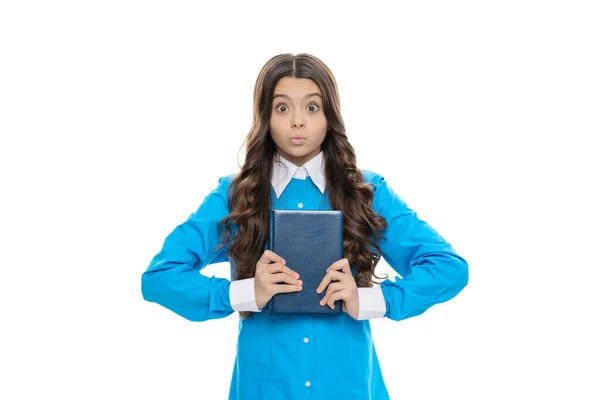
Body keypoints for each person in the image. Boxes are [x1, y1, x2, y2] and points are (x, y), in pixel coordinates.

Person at [141, 53, 469, 400]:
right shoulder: (235, 196)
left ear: (330, 115)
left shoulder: (368, 192)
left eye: (312, 107)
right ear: (265, 116)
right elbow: (159, 277)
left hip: (350, 389)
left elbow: (448, 268)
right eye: (282, 108)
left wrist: (369, 300)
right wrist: (244, 293)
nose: (298, 121)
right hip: (263, 390)